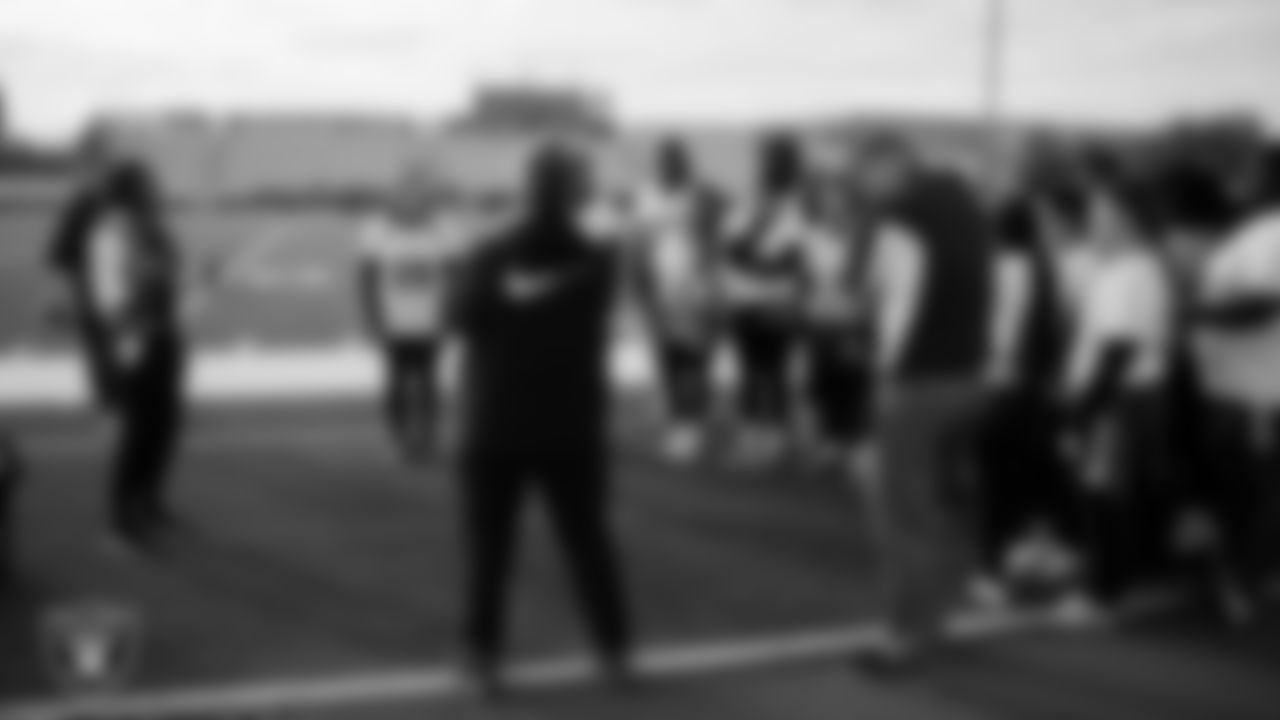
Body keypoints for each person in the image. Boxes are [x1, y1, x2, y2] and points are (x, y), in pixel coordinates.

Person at [448, 144, 632, 696]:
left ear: (525, 189)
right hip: (572, 422)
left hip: (496, 422)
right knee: (588, 543)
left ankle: (483, 656)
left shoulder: (489, 252)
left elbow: (460, 319)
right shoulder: (598, 259)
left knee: (490, 552)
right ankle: (613, 649)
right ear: (578, 193)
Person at [849, 134, 994, 674]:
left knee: (902, 513)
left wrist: (889, 375)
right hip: (969, 375)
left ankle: (904, 634)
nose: (860, 184)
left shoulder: (901, 218)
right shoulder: (965, 207)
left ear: (889, 167)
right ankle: (936, 619)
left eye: (864, 172)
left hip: (918, 383)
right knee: (943, 505)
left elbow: (899, 303)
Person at [48, 159, 190, 549]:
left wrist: (177, 288)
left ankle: (149, 499)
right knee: (140, 429)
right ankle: (121, 515)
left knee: (166, 425)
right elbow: (110, 299)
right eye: (149, 185)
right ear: (132, 192)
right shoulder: (111, 233)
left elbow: (166, 278)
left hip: (164, 336)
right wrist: (141, 310)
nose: (156, 191)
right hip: (135, 343)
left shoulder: (152, 229)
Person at [1060, 168, 1178, 605]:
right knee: (1106, 493)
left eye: (1099, 213)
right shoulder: (1129, 268)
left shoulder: (1130, 272)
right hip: (1120, 397)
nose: (1091, 222)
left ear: (1126, 219)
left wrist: (1081, 413)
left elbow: (1118, 352)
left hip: (1116, 401)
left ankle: (1102, 593)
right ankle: (1107, 579)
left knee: (1103, 496)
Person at [973, 193, 1086, 612]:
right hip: (1037, 392)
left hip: (995, 387)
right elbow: (1064, 327)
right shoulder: (1047, 271)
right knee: (1035, 482)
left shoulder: (988, 272)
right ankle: (1035, 561)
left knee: (996, 487)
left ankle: (992, 572)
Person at [1190, 149, 1280, 624]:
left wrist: (1195, 314)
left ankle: (1244, 584)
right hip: (1244, 390)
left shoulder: (1270, 236)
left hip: (1253, 394)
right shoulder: (1256, 235)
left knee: (1249, 494)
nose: (1236, 181)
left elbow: (1265, 303)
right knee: (1250, 491)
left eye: (1245, 172)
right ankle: (1251, 577)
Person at [629, 139, 724, 463]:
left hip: (696, 289)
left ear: (684, 163)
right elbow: (639, 243)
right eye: (661, 160)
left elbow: (715, 243)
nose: (666, 166)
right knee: (667, 354)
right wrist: (641, 287)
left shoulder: (704, 196)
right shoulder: (646, 196)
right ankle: (676, 416)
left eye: (672, 160)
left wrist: (707, 287)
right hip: (659, 289)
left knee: (693, 358)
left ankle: (692, 424)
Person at [721, 134, 812, 466]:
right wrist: (754, 257)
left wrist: (752, 258)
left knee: (769, 370)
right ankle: (757, 433)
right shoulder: (753, 200)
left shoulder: (797, 203)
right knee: (756, 370)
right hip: (749, 297)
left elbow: (797, 256)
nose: (761, 166)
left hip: (773, 300)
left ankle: (770, 436)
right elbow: (731, 246)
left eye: (766, 159)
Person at [358, 172, 461, 462]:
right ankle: (402, 438)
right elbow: (366, 277)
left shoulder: (445, 228)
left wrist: (450, 315)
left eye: (422, 194)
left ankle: (427, 438)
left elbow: (457, 275)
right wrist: (373, 318)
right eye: (408, 194)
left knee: (429, 381)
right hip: (394, 322)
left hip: (432, 320)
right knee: (397, 381)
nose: (415, 200)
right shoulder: (377, 230)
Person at [798, 173, 873, 468]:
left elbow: (873, 284)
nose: (832, 204)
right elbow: (804, 280)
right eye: (827, 198)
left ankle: (856, 446)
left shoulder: (864, 236)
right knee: (823, 385)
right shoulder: (811, 236)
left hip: (854, 323)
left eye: (839, 197)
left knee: (854, 385)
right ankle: (830, 443)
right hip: (819, 321)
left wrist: (864, 318)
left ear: (851, 201)